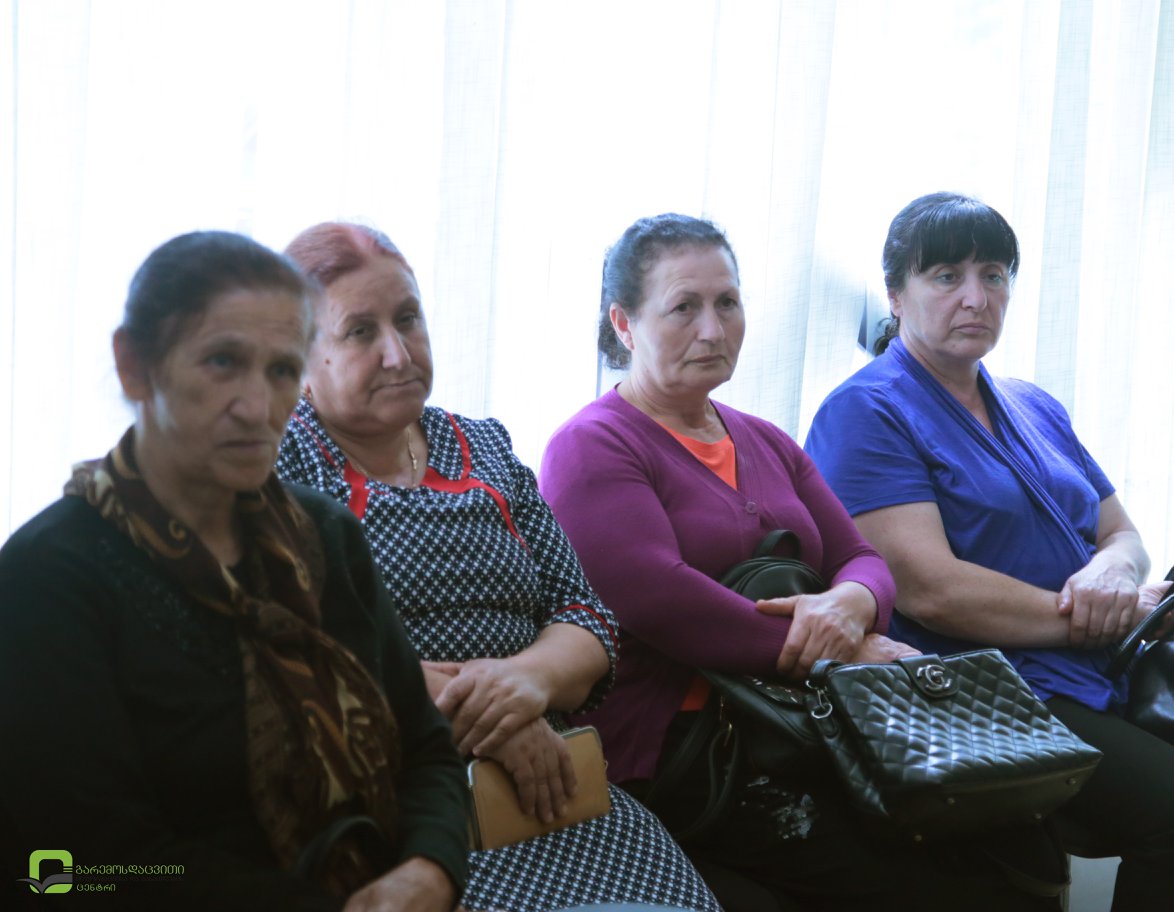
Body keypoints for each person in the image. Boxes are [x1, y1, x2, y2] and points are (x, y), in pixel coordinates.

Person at [803, 192, 1174, 912]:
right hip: (988, 688)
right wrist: (1101, 617)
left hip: (1102, 669)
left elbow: (1123, 536)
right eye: (947, 276)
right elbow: (930, 590)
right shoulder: (865, 411)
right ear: (896, 296)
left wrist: (1113, 574)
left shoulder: (1032, 404)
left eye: (994, 275)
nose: (975, 297)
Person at [539, 213, 1057, 911]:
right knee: (935, 887)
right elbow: (661, 599)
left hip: (811, 725)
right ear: (624, 324)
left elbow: (862, 558)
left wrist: (852, 603)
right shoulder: (592, 445)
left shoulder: (765, 439)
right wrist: (833, 648)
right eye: (684, 307)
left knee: (1008, 853)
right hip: (687, 750)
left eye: (727, 303)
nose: (713, 329)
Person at [0, 232, 469, 911]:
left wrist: (430, 870)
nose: (257, 406)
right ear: (134, 367)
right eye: (223, 362)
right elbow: (83, 863)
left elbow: (426, 750)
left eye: (281, 370)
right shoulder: (49, 579)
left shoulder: (324, 536)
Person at [274, 222, 720, 912]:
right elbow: (294, 653)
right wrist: (499, 722)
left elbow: (586, 618)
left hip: (556, 789)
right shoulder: (279, 466)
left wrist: (524, 682)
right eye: (359, 332)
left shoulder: (482, 446)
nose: (398, 353)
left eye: (408, 319)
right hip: (400, 807)